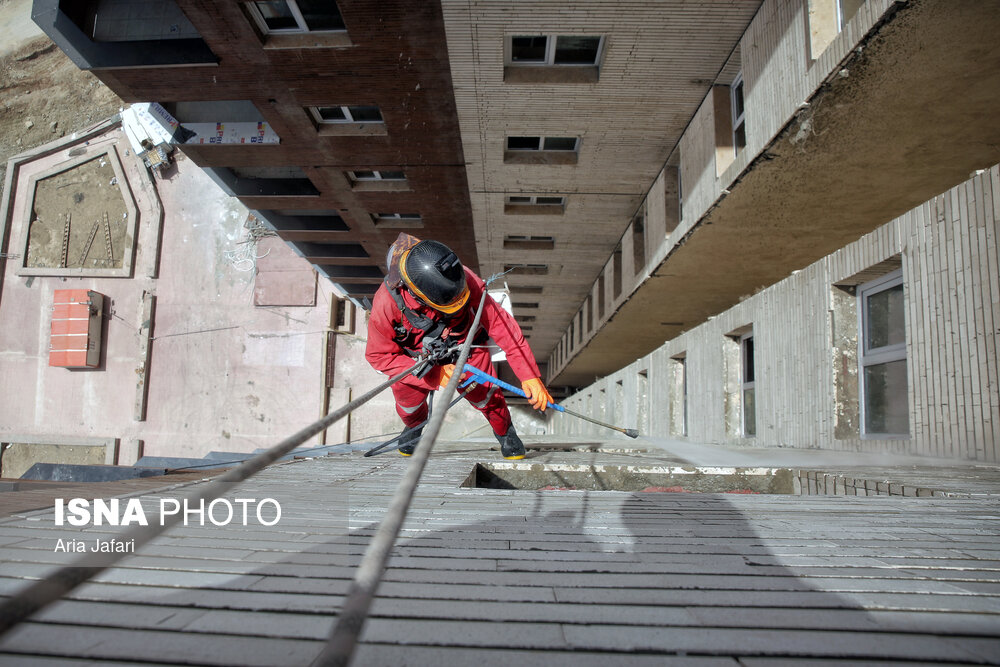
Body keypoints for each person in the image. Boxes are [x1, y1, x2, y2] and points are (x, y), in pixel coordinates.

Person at [365, 234, 553, 459]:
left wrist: (529, 375)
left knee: (487, 396)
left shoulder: (462, 278)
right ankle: (414, 427)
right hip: (417, 360)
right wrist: (435, 374)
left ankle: (505, 433)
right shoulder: (387, 304)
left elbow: (501, 325)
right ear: (419, 294)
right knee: (408, 402)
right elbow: (378, 355)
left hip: (465, 345)